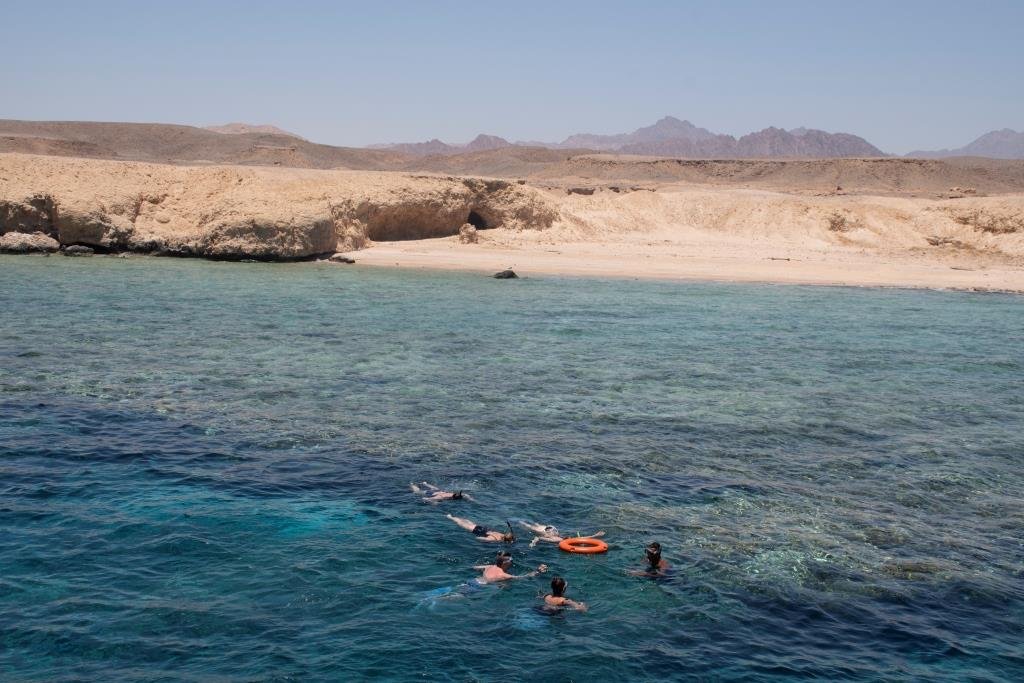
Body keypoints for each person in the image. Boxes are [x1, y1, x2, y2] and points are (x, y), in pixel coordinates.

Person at [518, 520, 606, 548]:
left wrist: (595, 535)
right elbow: (539, 537)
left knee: (531, 526)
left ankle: (520, 521)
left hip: (550, 530)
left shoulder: (559, 539)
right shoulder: (557, 540)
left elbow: (580, 538)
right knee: (531, 526)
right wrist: (533, 542)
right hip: (547, 530)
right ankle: (520, 521)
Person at [474, 551, 547, 584]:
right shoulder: (503, 575)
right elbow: (523, 577)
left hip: (474, 581)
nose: (512, 562)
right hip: (479, 587)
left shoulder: (489, 566)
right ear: (504, 563)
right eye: (510, 560)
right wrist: (538, 571)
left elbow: (475, 567)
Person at [446, 514, 515, 543]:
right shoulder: (495, 539)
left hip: (482, 528)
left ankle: (452, 516)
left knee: (467, 522)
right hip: (477, 531)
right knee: (461, 523)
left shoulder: (501, 534)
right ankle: (450, 517)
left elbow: (511, 532)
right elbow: (479, 538)